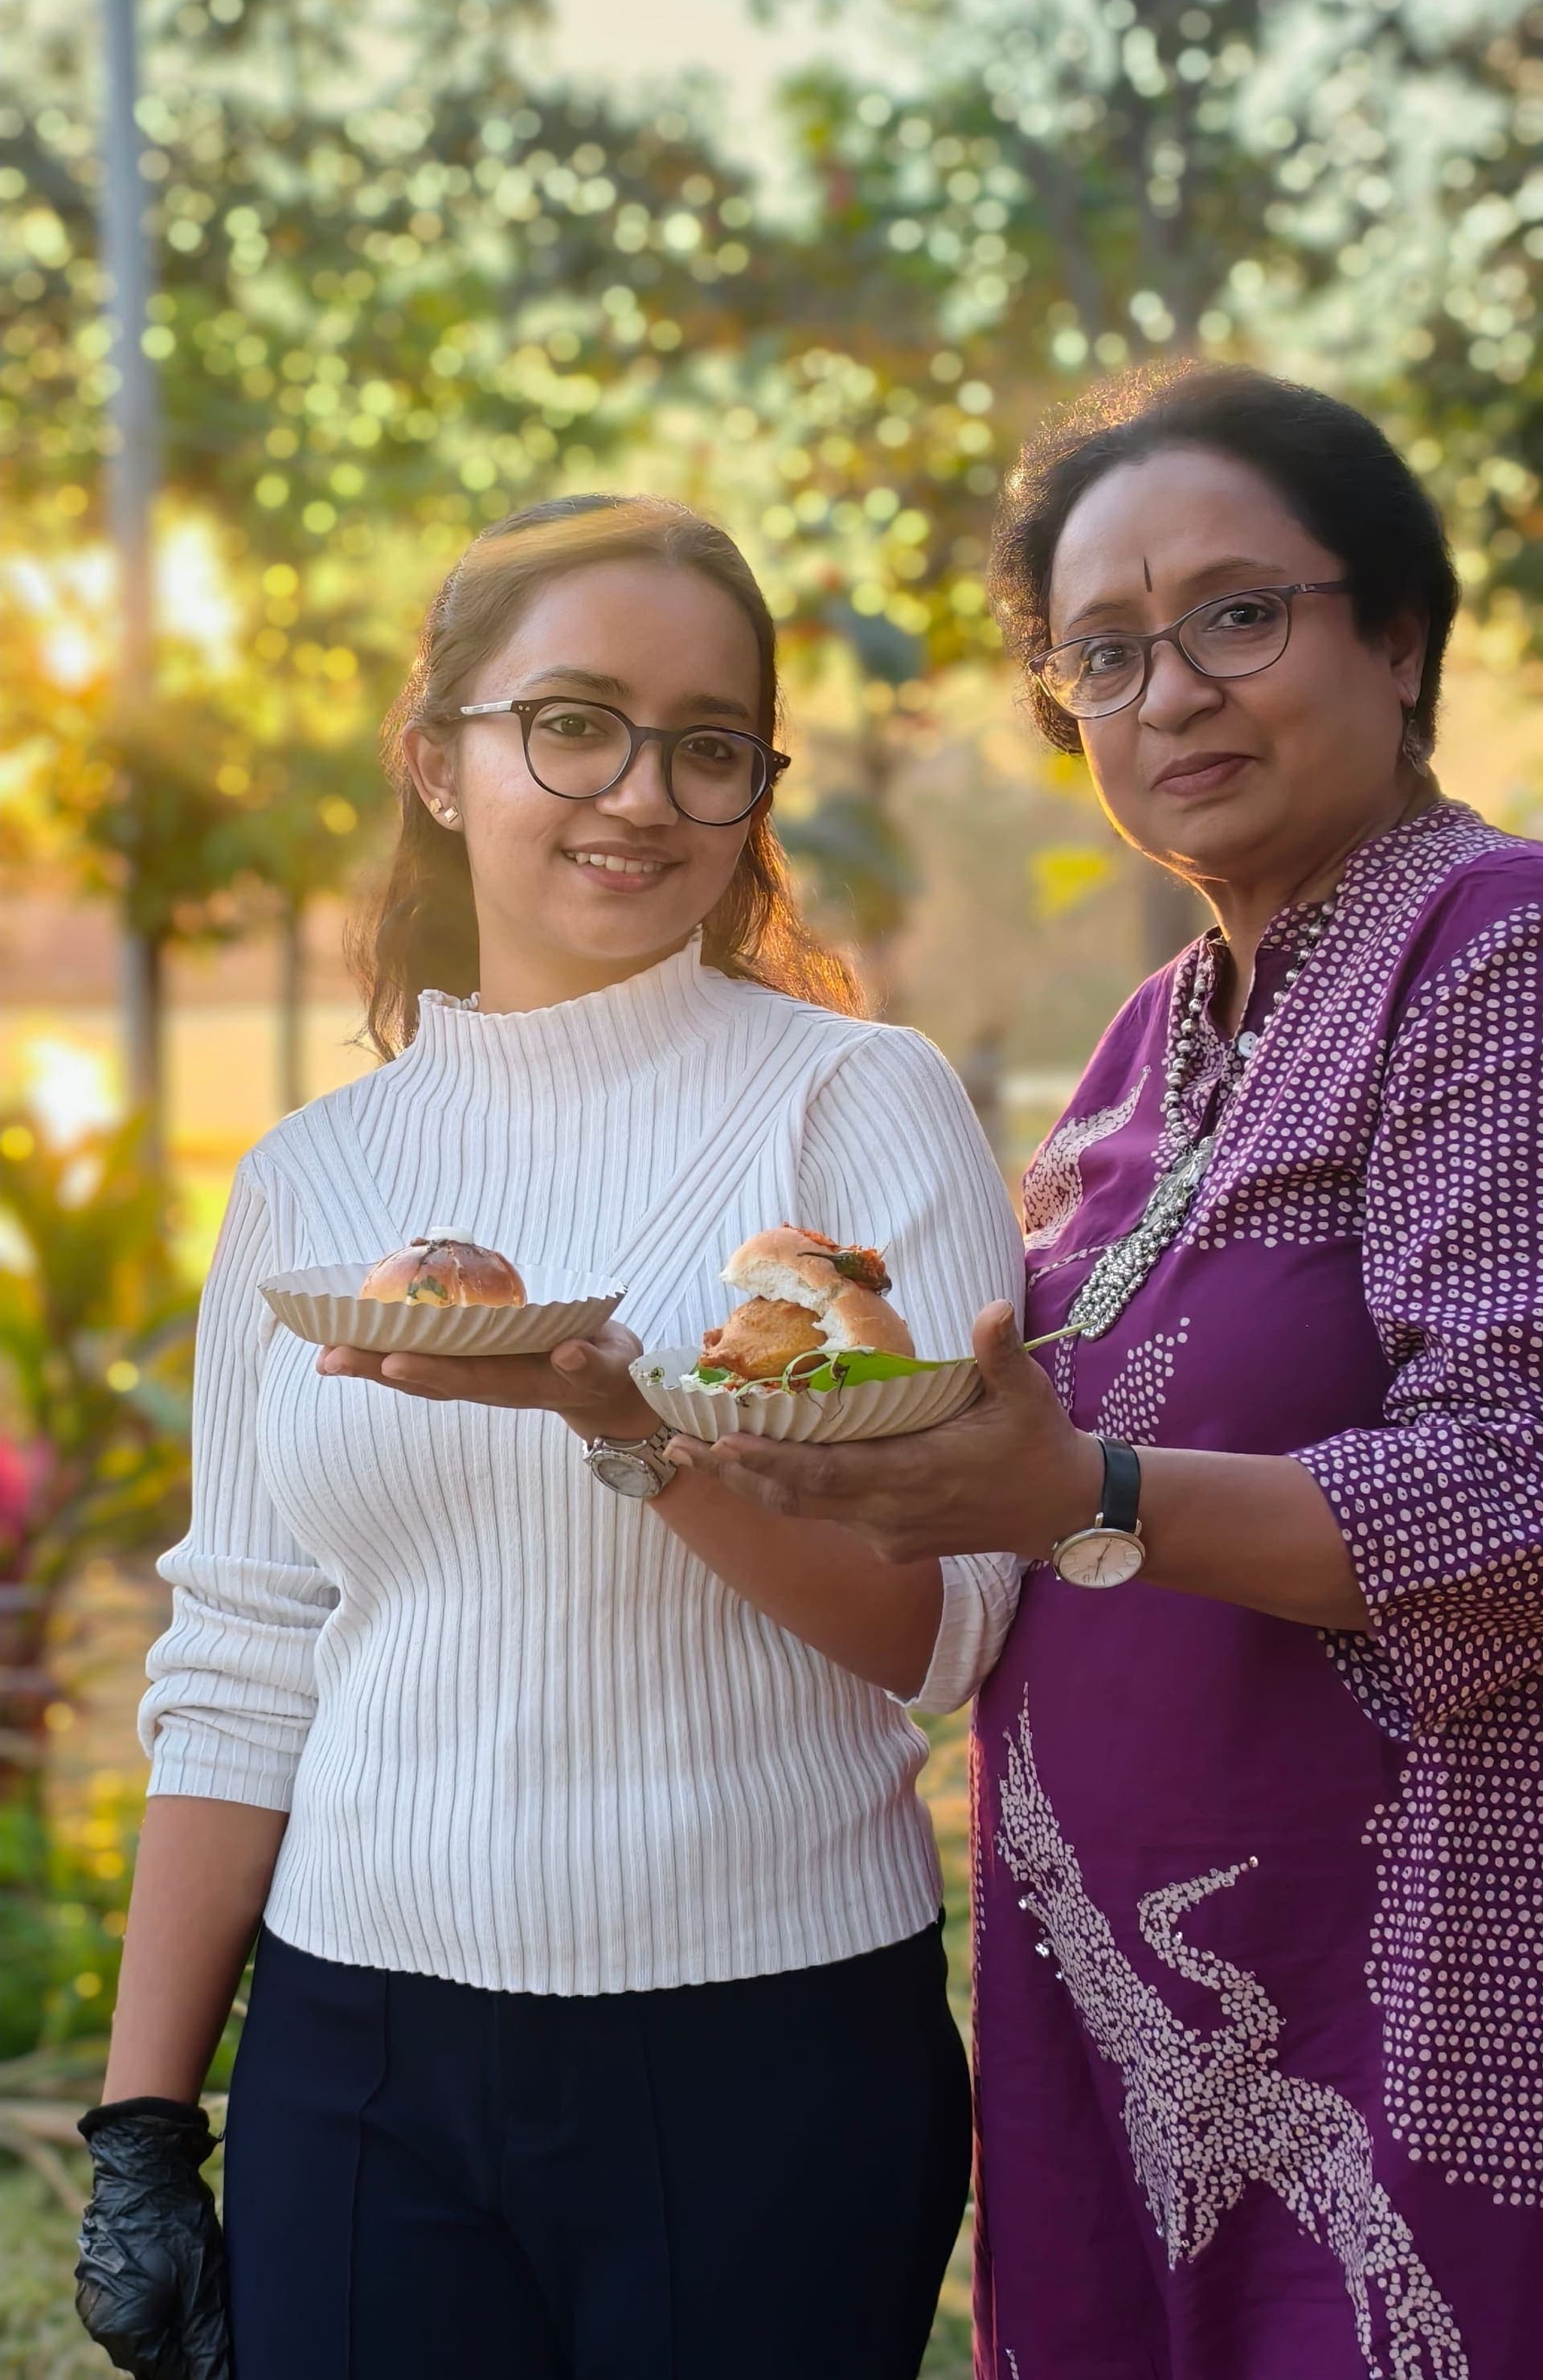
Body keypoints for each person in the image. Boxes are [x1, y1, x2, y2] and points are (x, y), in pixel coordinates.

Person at [76, 496, 1025, 2380]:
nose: (643, 794)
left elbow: (942, 1631)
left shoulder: (855, 1104)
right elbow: (244, 1650)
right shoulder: (312, 1177)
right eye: (575, 723)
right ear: (439, 758)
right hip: (357, 2056)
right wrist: (141, 2129)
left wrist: (631, 1429)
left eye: (708, 745)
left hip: (765, 2049)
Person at [669, 371, 1543, 2380]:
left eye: (1240, 615)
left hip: (1397, 2006)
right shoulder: (1159, 1035)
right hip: (1118, 2003)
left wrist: (1094, 1493)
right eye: (1107, 653)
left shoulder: (1493, 952)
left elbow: (1517, 1485)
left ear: (1400, 637)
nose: (1173, 694)